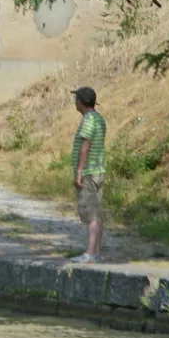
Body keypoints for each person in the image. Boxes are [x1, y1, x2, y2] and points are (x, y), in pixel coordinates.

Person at [70, 86, 107, 263]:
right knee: (97, 213)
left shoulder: (88, 120)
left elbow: (85, 147)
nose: (74, 102)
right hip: (98, 171)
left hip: (88, 173)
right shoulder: (99, 119)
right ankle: (96, 252)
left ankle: (90, 254)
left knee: (90, 213)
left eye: (76, 99)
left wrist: (79, 172)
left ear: (82, 102)